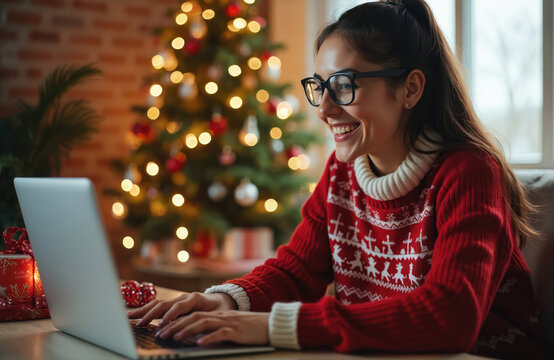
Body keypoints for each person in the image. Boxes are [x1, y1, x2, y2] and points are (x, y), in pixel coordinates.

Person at [129, 0, 546, 358]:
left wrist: (277, 326)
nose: (324, 108)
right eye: (319, 86)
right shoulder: (340, 173)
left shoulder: (469, 174)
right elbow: (296, 271)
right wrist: (224, 299)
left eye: (344, 85)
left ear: (410, 89)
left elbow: (450, 316)